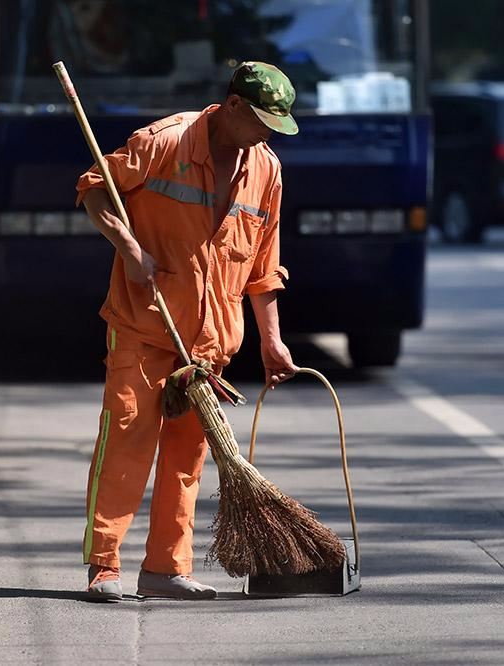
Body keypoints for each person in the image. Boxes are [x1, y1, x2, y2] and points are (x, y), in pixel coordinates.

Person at [74, 62, 299, 601]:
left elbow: (263, 264)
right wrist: (130, 250)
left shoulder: (266, 170)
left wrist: (271, 338)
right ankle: (104, 566)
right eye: (263, 121)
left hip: (209, 344)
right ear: (234, 107)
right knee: (126, 442)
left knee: (187, 457)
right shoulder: (164, 143)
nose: (268, 134)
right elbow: (94, 189)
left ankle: (165, 568)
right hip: (143, 326)